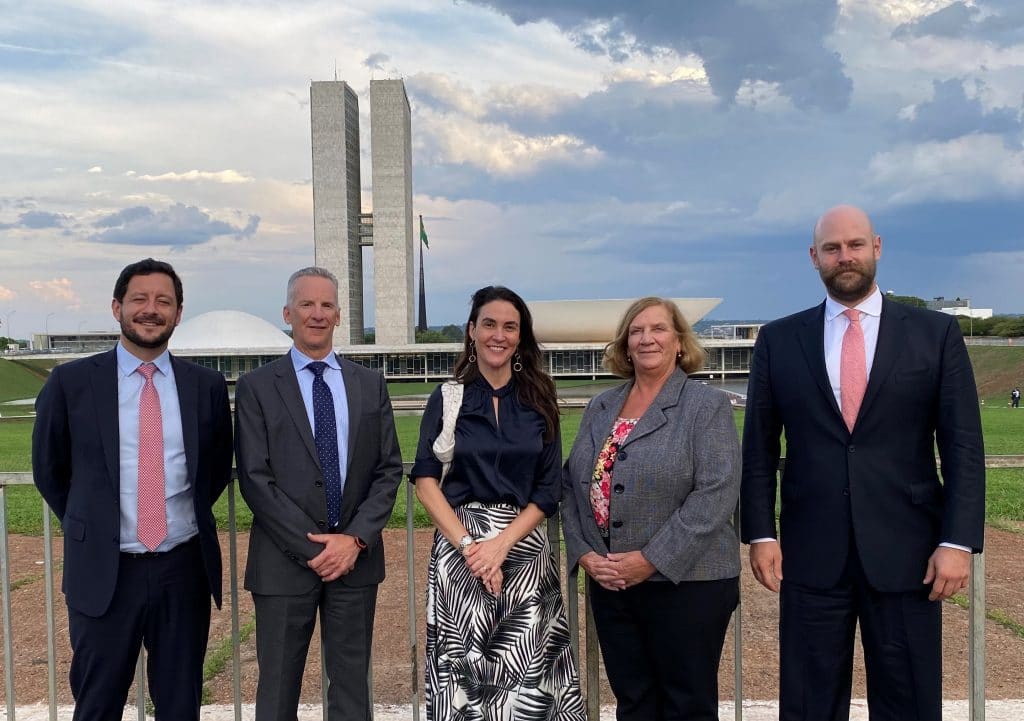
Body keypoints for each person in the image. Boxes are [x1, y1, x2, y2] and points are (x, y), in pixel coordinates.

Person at [741, 205, 986, 721]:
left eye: (854, 245)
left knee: (909, 703)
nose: (843, 256)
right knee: (808, 703)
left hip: (909, 554)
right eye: (831, 248)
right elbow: (760, 446)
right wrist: (761, 533)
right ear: (814, 258)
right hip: (811, 556)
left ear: (877, 247)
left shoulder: (934, 335)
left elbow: (963, 447)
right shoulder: (779, 340)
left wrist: (957, 540)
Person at [32, 258, 233, 721]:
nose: (151, 309)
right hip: (104, 571)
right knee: (98, 703)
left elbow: (215, 469)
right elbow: (49, 469)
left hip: (182, 570)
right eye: (140, 299)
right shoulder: (71, 382)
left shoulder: (204, 386)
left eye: (164, 301)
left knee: (180, 705)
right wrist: (91, 524)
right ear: (117, 307)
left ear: (178, 313)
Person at [410, 285, 586, 720]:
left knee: (526, 677)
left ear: (520, 337)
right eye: (489, 324)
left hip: (523, 550)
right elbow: (426, 479)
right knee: (468, 678)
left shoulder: (539, 398)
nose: (498, 335)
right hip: (460, 552)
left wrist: (501, 545)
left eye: (510, 326)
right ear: (471, 331)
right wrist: (472, 547)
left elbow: (547, 489)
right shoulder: (448, 398)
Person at [235, 266, 402, 721]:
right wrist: (311, 547)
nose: (317, 314)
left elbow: (388, 471)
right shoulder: (256, 387)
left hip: (355, 561)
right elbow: (254, 477)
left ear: (339, 315)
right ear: (288, 312)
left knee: (351, 690)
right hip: (283, 565)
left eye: (326, 305)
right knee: (277, 689)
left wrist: (355, 540)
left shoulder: (369, 385)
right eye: (307, 304)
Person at [562, 296, 741, 721]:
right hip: (613, 584)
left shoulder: (705, 406)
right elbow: (571, 485)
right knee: (634, 702)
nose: (647, 339)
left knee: (686, 705)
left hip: (686, 584)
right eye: (636, 332)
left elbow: (716, 493)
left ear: (679, 342)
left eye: (658, 329)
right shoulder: (601, 406)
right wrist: (585, 553)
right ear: (625, 346)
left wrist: (650, 560)